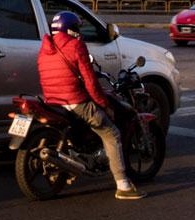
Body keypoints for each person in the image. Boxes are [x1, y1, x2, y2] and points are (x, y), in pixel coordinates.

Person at [37, 11, 144, 200]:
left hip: (53, 101)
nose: (79, 31)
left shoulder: (45, 48)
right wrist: (104, 105)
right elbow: (90, 82)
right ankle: (123, 185)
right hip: (76, 102)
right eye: (76, 28)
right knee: (112, 133)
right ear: (70, 29)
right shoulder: (76, 46)